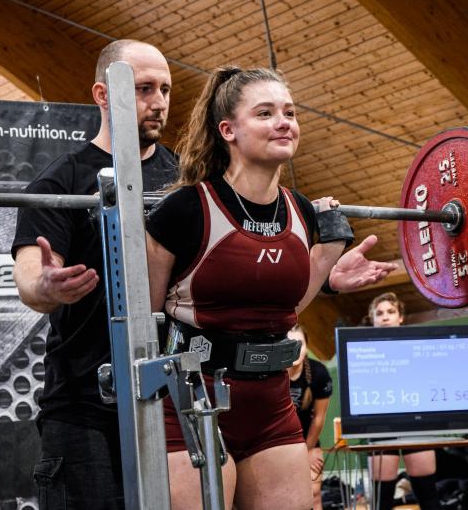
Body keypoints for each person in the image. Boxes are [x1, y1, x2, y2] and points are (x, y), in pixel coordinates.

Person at [145, 65, 395, 509]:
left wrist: (327, 261)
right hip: (192, 397)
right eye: (265, 113)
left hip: (271, 402)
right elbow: (144, 320)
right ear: (228, 130)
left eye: (289, 113)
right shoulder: (186, 209)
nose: (283, 122)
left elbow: (286, 310)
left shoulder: (301, 210)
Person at [11, 39, 179, 510]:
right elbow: (30, 278)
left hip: (171, 399)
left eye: (165, 89)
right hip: (84, 408)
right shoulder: (59, 182)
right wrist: (46, 285)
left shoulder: (187, 180)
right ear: (103, 95)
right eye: (144, 88)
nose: (159, 102)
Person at [367, 292, 441, 510]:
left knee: (428, 496)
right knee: (381, 501)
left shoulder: (417, 346)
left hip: (415, 423)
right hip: (380, 425)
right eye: (379, 313)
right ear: (373, 320)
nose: (385, 317)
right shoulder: (364, 350)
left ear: (400, 317)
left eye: (391, 312)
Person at [287, 325, 333, 510]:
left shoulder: (318, 372)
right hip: (276, 443)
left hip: (308, 440)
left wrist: (307, 450)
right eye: (290, 344)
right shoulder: (271, 374)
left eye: (300, 344)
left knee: (313, 494)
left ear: (307, 347)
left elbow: (319, 418)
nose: (296, 349)